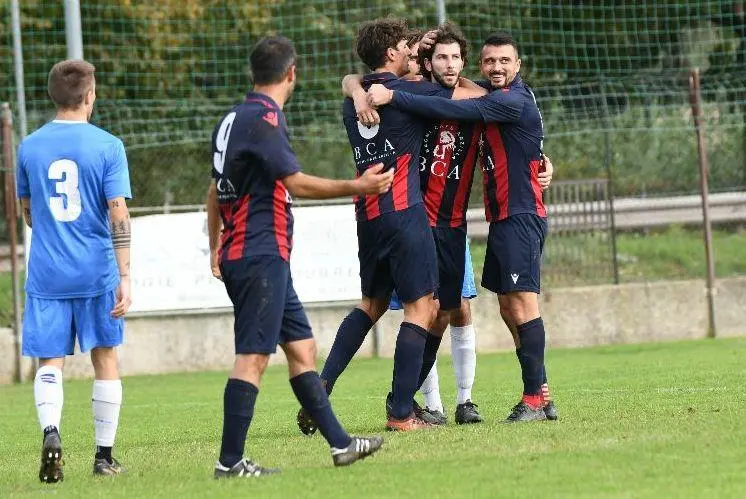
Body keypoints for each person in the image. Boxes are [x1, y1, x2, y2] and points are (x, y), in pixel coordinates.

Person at [206, 36, 391, 478]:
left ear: (254, 73)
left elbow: (214, 190)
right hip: (258, 252)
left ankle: (342, 445)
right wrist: (358, 187)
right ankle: (229, 462)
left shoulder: (231, 118)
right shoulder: (265, 119)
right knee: (252, 357)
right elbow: (295, 183)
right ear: (292, 73)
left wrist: (215, 241)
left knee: (303, 349)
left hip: (252, 251)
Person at [296, 17, 486, 434]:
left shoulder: (356, 98)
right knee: (424, 307)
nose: (410, 52)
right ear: (391, 53)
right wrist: (438, 59)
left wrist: (355, 85)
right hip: (405, 214)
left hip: (368, 216)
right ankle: (401, 411)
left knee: (371, 304)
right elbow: (461, 90)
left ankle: (321, 388)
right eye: (405, 46)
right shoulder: (407, 93)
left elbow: (353, 78)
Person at [368, 31, 558, 423]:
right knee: (502, 306)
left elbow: (462, 107)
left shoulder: (510, 101)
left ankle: (536, 397)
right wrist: (359, 87)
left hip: (518, 213)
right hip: (490, 217)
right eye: (490, 62)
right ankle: (534, 392)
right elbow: (457, 91)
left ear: (518, 65)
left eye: (505, 61)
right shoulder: (488, 93)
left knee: (518, 304)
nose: (497, 68)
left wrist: (394, 96)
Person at [17, 60, 132, 483]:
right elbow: (117, 210)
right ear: (89, 96)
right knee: (105, 358)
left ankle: (51, 433)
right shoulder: (108, 145)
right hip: (95, 270)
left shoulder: (28, 146)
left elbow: (28, 212)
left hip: (47, 272)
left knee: (50, 361)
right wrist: (126, 275)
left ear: (53, 96)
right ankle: (103, 457)